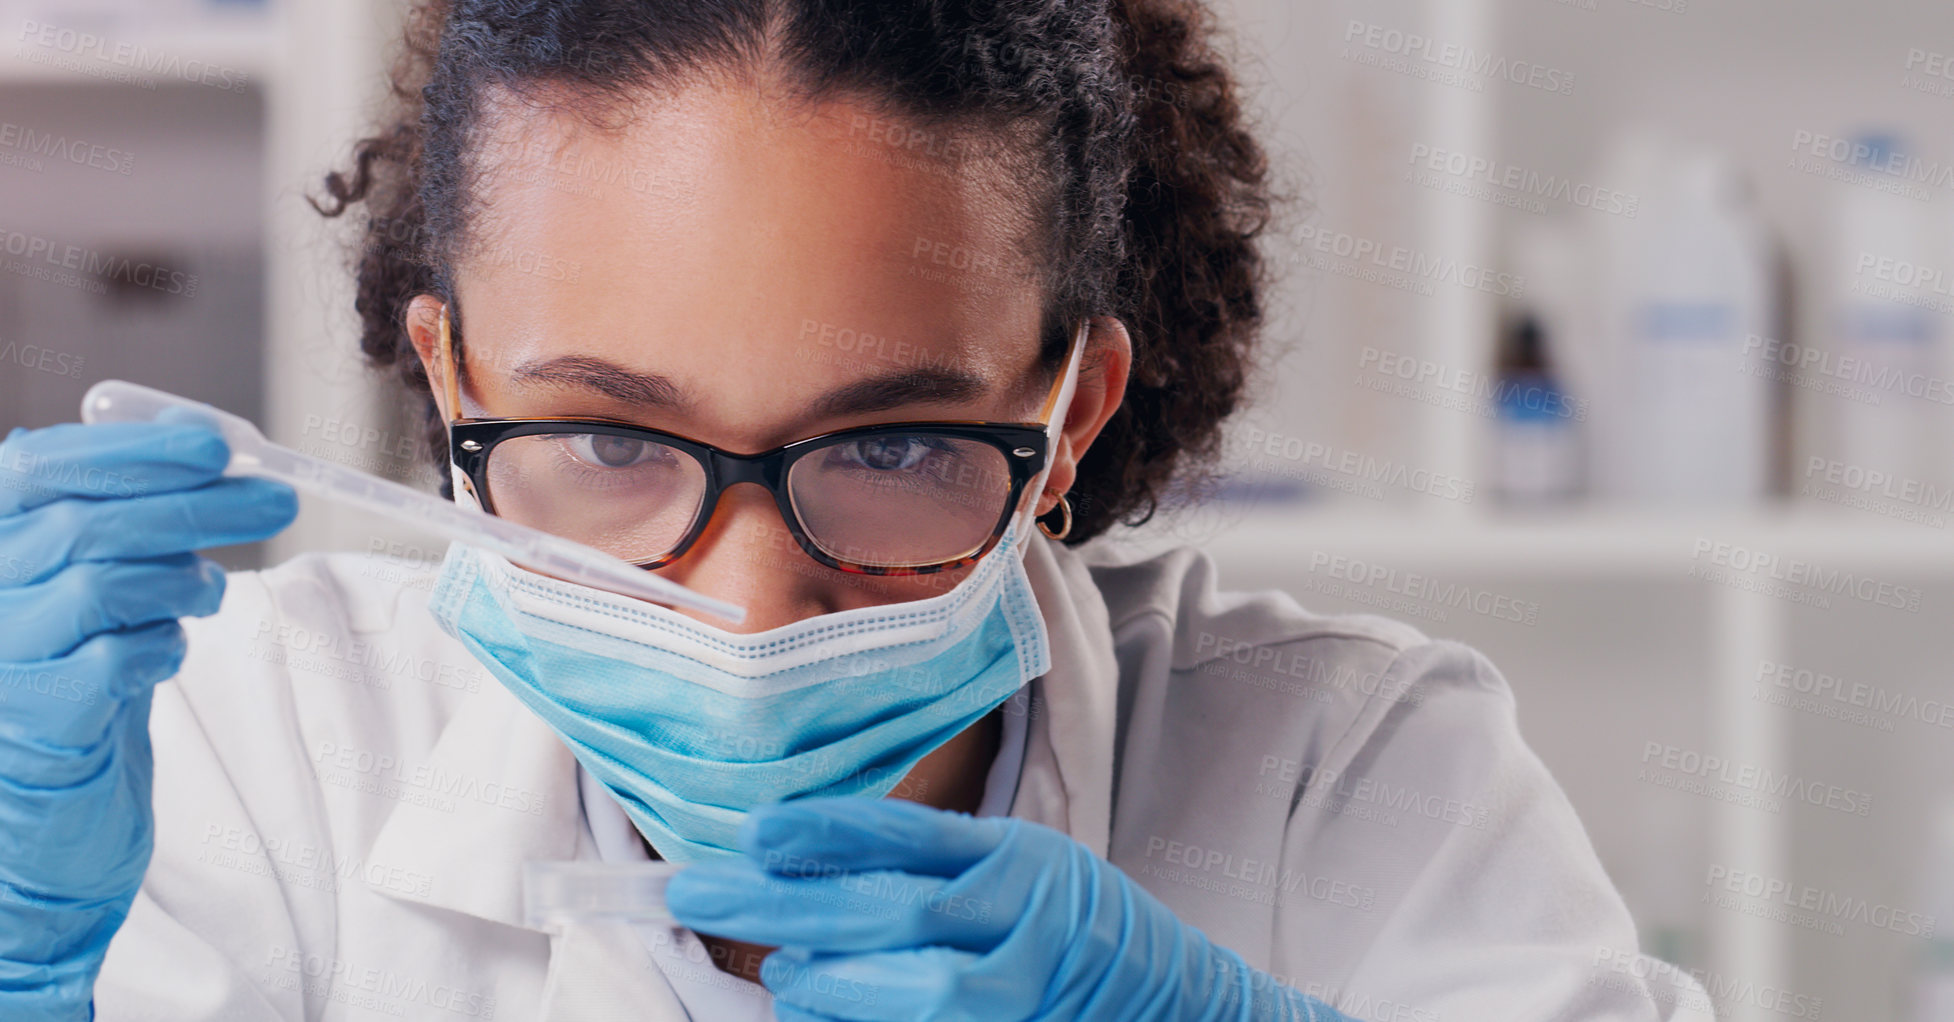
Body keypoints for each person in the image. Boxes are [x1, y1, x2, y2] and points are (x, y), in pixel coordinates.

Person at [0, 1, 1711, 1019]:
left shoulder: (1340, 774)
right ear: (452, 385)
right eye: (609, 440)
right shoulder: (252, 754)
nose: (746, 611)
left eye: (888, 446)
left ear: (1066, 413)